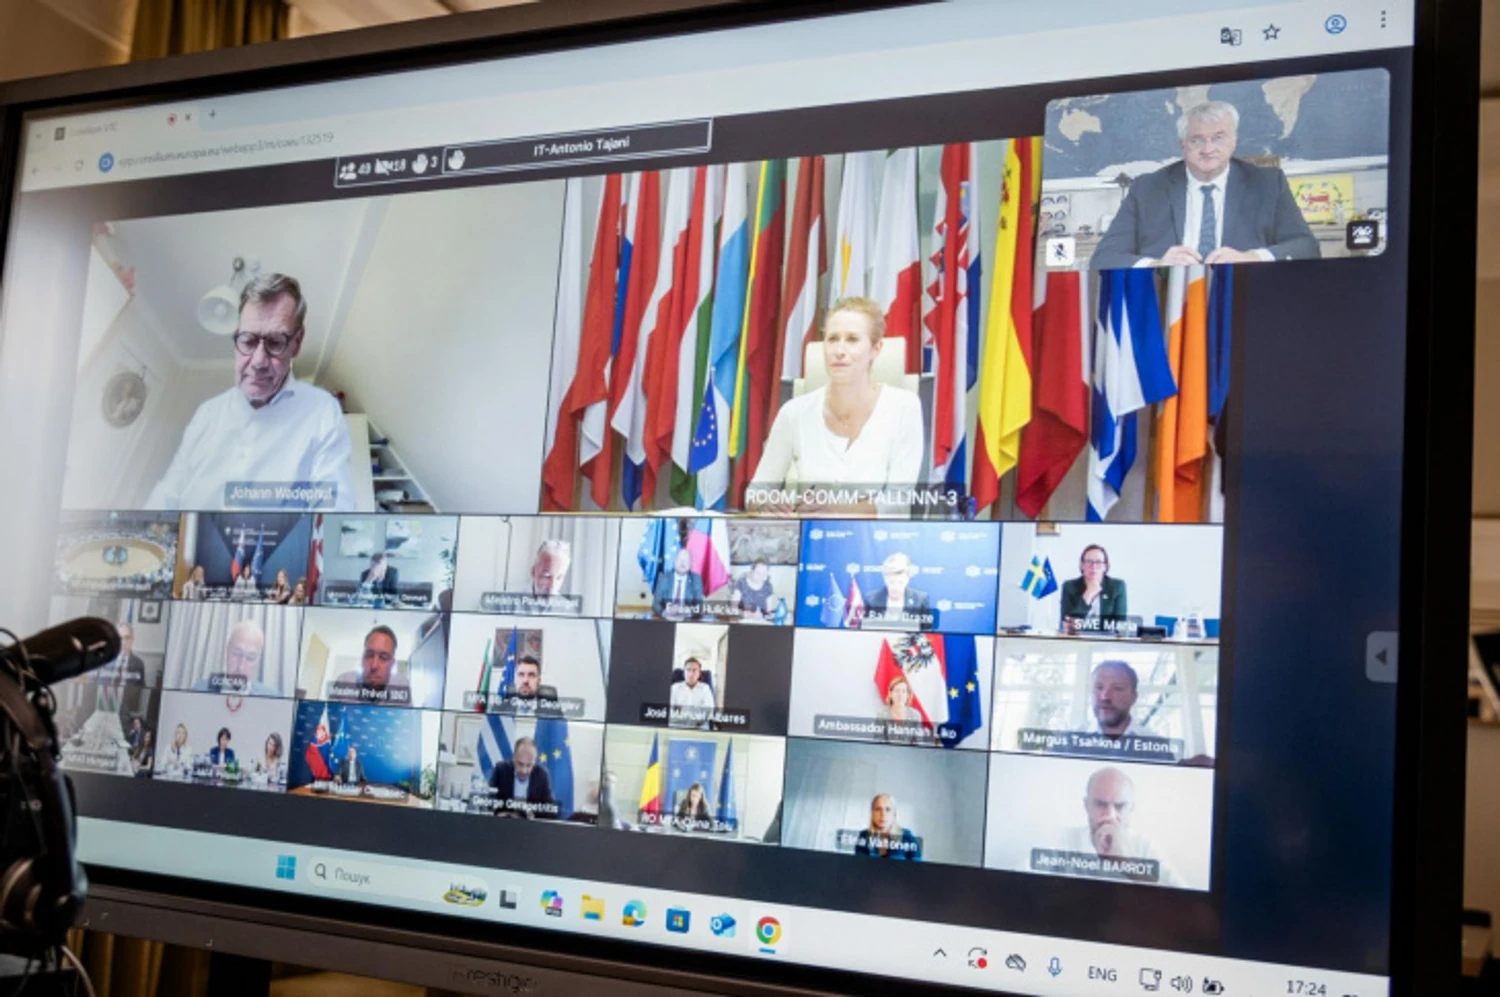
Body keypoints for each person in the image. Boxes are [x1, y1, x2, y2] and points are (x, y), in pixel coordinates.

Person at [145, 273, 356, 512]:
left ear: (296, 343)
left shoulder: (321, 411)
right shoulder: (207, 413)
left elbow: (334, 510)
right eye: (248, 341)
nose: (258, 362)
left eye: (275, 342)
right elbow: (169, 492)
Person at [1089, 100, 1319, 270]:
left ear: (1234, 141)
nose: (1208, 149)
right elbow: (1104, 259)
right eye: (1197, 140)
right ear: (1183, 145)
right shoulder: (1147, 189)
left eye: (1218, 138)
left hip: (1243, 293)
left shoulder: (1268, 183)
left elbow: (1306, 247)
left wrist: (1252, 257)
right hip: (1168, 298)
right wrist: (1156, 265)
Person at [749, 297, 924, 504]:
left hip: (872, 527)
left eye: (852, 339)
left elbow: (899, 501)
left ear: (876, 349)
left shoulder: (904, 407)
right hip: (808, 524)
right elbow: (755, 493)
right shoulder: (793, 412)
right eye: (832, 339)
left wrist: (834, 509)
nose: (839, 351)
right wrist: (765, 504)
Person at [1055, 767, 1179, 886]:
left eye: (1120, 806)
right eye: (1100, 804)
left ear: (1131, 808)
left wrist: (1128, 864)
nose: (1110, 816)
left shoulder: (1144, 848)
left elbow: (1180, 896)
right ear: (1086, 805)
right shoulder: (1062, 840)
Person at [191, 619, 281, 696]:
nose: (240, 667)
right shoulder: (198, 690)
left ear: (258, 660)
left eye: (250, 658)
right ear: (227, 650)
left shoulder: (273, 698)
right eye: (237, 654)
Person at [330, 625, 410, 703]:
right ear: (362, 658)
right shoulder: (344, 682)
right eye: (369, 655)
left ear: (392, 663)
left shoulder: (401, 686)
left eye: (383, 657)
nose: (374, 666)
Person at [1060, 544, 1128, 632]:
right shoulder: (1069, 586)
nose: (1093, 567)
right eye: (1089, 562)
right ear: (1082, 565)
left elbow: (1120, 625)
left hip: (1107, 639)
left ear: (1105, 566)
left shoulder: (1117, 586)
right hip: (1077, 639)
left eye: (1098, 562)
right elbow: (1068, 625)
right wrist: (1088, 595)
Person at [488, 737, 557, 818]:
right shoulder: (501, 770)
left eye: (529, 765)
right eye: (520, 764)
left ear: (535, 761)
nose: (524, 771)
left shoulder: (542, 775)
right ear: (513, 758)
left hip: (530, 824)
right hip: (503, 822)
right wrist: (500, 814)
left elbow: (551, 809)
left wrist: (533, 815)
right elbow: (489, 800)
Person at [864, 552, 934, 630]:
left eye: (900, 582)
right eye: (891, 582)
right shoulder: (871, 600)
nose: (895, 587)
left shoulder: (920, 600)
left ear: (907, 579)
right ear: (885, 579)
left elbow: (927, 631)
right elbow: (866, 631)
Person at [853, 793, 922, 860]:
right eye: (878, 809)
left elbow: (917, 866)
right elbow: (860, 865)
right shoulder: (864, 836)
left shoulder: (908, 837)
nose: (883, 814)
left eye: (888, 809)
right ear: (872, 813)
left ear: (894, 814)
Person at [875, 674, 936, 746]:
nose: (900, 695)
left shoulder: (915, 715)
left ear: (907, 695)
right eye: (897, 691)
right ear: (890, 694)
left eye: (903, 691)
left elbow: (918, 742)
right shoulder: (882, 714)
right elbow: (878, 741)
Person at [1085, 660, 1138, 737]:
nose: (1105, 697)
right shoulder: (1069, 740)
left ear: (1133, 697)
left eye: (1117, 688)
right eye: (1099, 687)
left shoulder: (1154, 741)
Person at [652, 548, 704, 619]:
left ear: (690, 564)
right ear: (675, 562)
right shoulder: (664, 578)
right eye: (680, 560)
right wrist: (665, 612)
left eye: (686, 561)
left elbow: (700, 606)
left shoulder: (696, 579)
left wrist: (688, 611)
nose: (683, 563)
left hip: (687, 621)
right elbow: (656, 604)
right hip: (667, 620)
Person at [668, 656, 716, 730]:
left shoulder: (705, 689)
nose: (691, 673)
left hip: (699, 728)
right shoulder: (675, 688)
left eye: (694, 670)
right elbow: (669, 711)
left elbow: (709, 712)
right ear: (684, 673)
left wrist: (685, 717)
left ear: (699, 674)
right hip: (677, 727)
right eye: (688, 670)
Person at [104, 623, 147, 687]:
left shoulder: (139, 663)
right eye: (120, 638)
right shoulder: (106, 661)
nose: (123, 642)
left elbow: (141, 687)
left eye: (127, 638)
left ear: (132, 640)